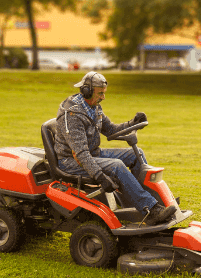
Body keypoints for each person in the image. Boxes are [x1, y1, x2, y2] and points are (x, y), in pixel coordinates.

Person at [55, 71, 177, 226]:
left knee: (136, 153)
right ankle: (150, 211)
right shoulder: (72, 114)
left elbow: (111, 129)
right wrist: (100, 177)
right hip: (71, 161)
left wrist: (132, 123)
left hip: (93, 154)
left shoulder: (94, 107)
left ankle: (152, 202)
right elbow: (81, 154)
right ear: (87, 91)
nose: (103, 97)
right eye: (100, 93)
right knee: (117, 166)